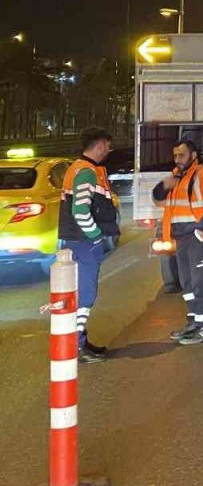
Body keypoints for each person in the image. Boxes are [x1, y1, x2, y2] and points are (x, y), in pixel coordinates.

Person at [153, 139, 203, 345]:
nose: (177, 159)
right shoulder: (178, 177)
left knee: (199, 281)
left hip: (196, 237)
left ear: (193, 156)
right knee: (187, 282)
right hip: (181, 237)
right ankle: (195, 322)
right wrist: (166, 183)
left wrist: (200, 231)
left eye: (182, 155)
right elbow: (158, 198)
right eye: (175, 155)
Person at [57, 127, 121, 363]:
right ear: (100, 144)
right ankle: (76, 346)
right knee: (86, 294)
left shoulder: (79, 168)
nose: (108, 150)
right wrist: (95, 236)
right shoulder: (86, 171)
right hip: (84, 242)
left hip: (77, 240)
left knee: (82, 292)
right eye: (107, 145)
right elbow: (80, 210)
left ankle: (80, 340)